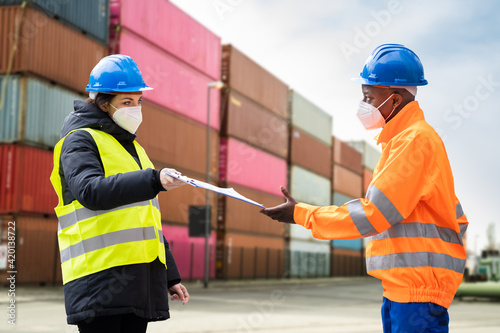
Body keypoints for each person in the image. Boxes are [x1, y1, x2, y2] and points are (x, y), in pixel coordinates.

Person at [261, 44, 468, 333]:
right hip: (406, 290)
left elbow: (372, 216)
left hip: (417, 295)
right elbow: (456, 219)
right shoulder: (404, 142)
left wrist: (302, 214)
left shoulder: (414, 142)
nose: (364, 104)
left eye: (369, 97)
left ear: (394, 100)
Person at [50, 54, 189, 333]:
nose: (135, 109)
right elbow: (89, 191)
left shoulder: (136, 150)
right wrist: (154, 180)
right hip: (99, 281)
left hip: (138, 279)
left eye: (138, 101)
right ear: (103, 103)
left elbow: (145, 219)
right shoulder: (79, 139)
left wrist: (168, 275)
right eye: (127, 102)